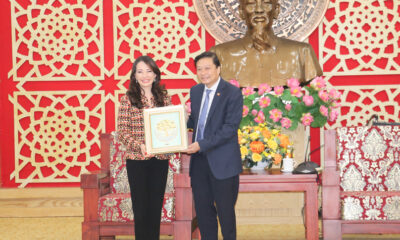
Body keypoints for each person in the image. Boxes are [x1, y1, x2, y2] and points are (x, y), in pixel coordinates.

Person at [184, 51, 243, 240]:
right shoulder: (196, 91)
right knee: (203, 212)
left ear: (218, 69)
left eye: (207, 68)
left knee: (226, 214)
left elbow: (229, 128)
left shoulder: (232, 93)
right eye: (199, 69)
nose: (203, 73)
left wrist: (201, 144)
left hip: (223, 162)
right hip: (199, 162)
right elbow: (197, 122)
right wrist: (181, 121)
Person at [117, 55, 171, 240]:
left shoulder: (164, 98)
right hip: (137, 161)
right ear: (134, 76)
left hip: (160, 160)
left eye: (149, 71)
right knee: (140, 209)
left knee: (156, 207)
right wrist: (138, 145)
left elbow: (170, 126)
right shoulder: (128, 99)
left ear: (155, 74)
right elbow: (122, 132)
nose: (145, 75)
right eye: (140, 71)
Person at [210, 0, 323, 87]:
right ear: (241, 12)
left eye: (266, 3)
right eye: (251, 3)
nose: (259, 10)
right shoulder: (219, 55)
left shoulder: (302, 53)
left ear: (277, 10)